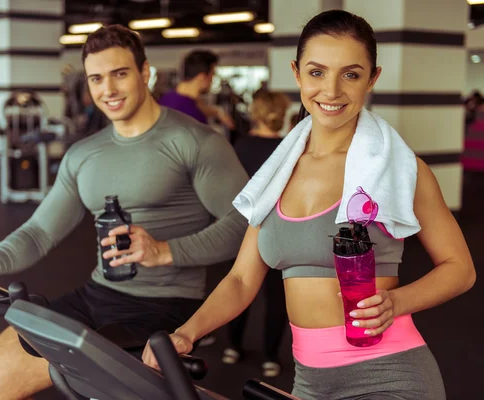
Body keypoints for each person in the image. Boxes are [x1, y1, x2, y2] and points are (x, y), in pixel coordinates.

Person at [143, 10, 476, 399]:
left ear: (372, 78)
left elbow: (460, 270)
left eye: (350, 74)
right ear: (297, 73)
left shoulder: (400, 169)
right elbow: (240, 279)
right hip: (311, 381)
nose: (331, 91)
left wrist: (398, 301)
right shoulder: (276, 175)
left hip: (391, 374)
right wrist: (187, 331)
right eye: (317, 73)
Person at [0, 24, 249, 400]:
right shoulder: (83, 155)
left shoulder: (196, 142)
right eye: (97, 79)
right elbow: (41, 231)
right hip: (95, 296)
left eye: (120, 74)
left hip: (164, 307)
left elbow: (245, 224)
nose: (108, 90)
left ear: (145, 72)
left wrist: (166, 250)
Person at [222, 89, 291, 377]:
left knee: (237, 286)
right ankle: (270, 358)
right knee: (276, 297)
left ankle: (233, 347)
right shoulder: (290, 149)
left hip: (243, 228)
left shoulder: (240, 145)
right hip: (279, 230)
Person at [159, 50, 234, 130]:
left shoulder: (165, 100)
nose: (212, 81)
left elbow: (201, 107)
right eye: (212, 76)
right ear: (202, 78)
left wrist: (218, 112)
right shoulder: (193, 115)